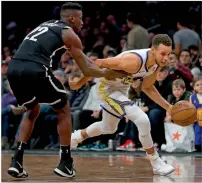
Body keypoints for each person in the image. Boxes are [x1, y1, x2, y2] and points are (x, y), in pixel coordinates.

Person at [7, 2, 127, 179]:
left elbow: (87, 62)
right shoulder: (69, 34)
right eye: (80, 19)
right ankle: (65, 162)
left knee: (32, 110)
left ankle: (16, 160)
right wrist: (111, 72)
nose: (83, 23)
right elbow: (87, 70)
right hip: (35, 69)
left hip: (13, 69)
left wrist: (102, 67)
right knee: (63, 108)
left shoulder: (46, 24)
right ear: (72, 18)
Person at [69, 34, 175, 176]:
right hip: (107, 88)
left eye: (169, 54)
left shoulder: (155, 65)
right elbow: (99, 62)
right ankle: (156, 162)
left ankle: (74, 138)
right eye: (163, 54)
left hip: (121, 90)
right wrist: (80, 83)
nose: (166, 58)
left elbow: (148, 88)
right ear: (153, 50)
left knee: (108, 127)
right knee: (142, 120)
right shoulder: (133, 61)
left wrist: (169, 107)